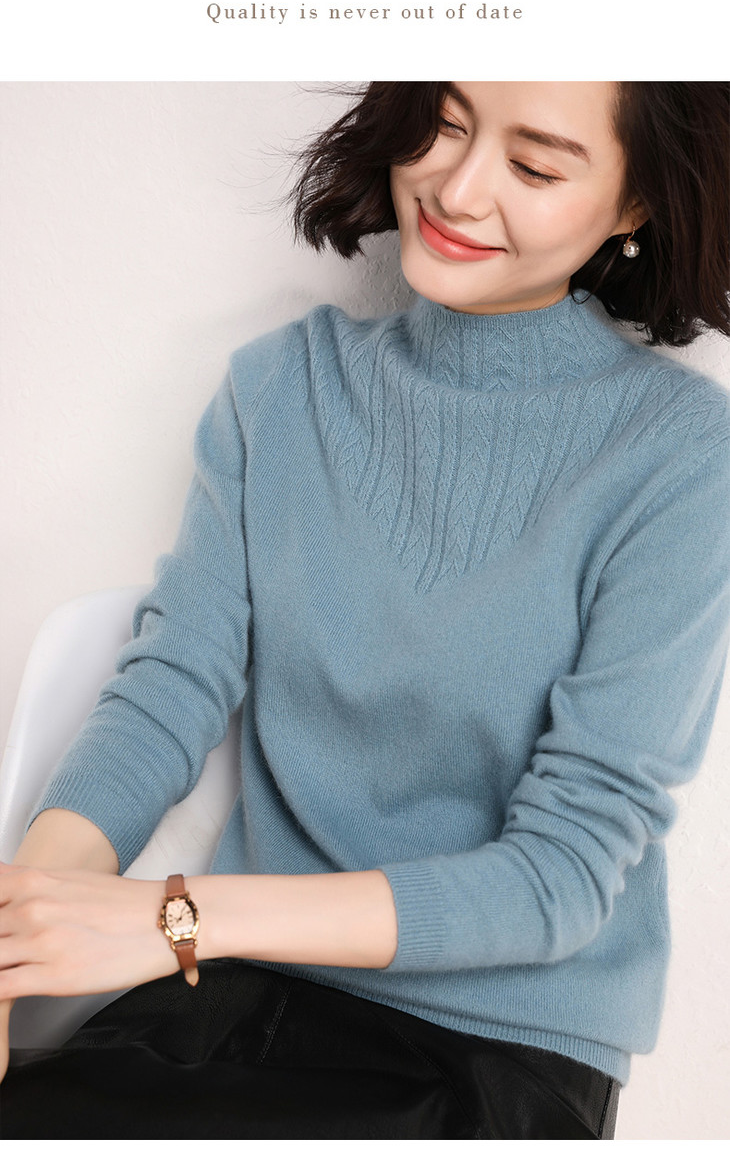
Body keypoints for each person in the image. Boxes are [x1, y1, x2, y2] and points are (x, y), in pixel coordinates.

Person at [1, 81, 729, 1140]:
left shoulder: (680, 456)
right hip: (230, 998)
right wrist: (18, 941)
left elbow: (559, 879)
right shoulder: (281, 390)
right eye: (446, 120)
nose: (458, 189)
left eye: (534, 165)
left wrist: (175, 916)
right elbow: (168, 690)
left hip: (493, 1050)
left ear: (635, 204)